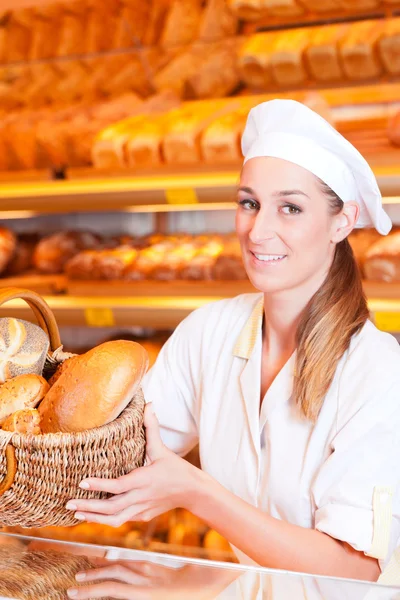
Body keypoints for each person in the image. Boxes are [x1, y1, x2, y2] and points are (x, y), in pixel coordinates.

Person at [66, 100, 400, 587]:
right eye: (250, 203)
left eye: (290, 207)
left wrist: (195, 492)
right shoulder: (211, 332)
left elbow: (350, 570)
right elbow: (124, 450)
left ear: (342, 222)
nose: (258, 231)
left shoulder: (376, 370)